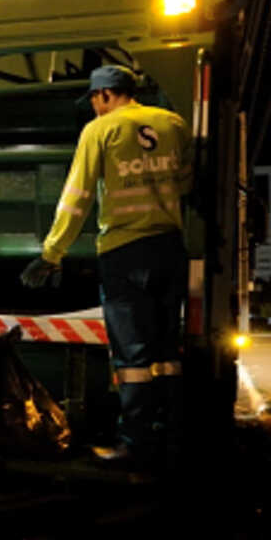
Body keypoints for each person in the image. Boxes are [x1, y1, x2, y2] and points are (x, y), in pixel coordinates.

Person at [21, 65, 193, 472]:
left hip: (124, 251)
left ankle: (136, 444)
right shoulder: (172, 123)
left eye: (94, 102)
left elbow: (77, 195)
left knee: (133, 356)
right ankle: (172, 438)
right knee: (168, 353)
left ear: (102, 96)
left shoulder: (100, 131)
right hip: (169, 247)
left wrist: (52, 253)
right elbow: (186, 181)